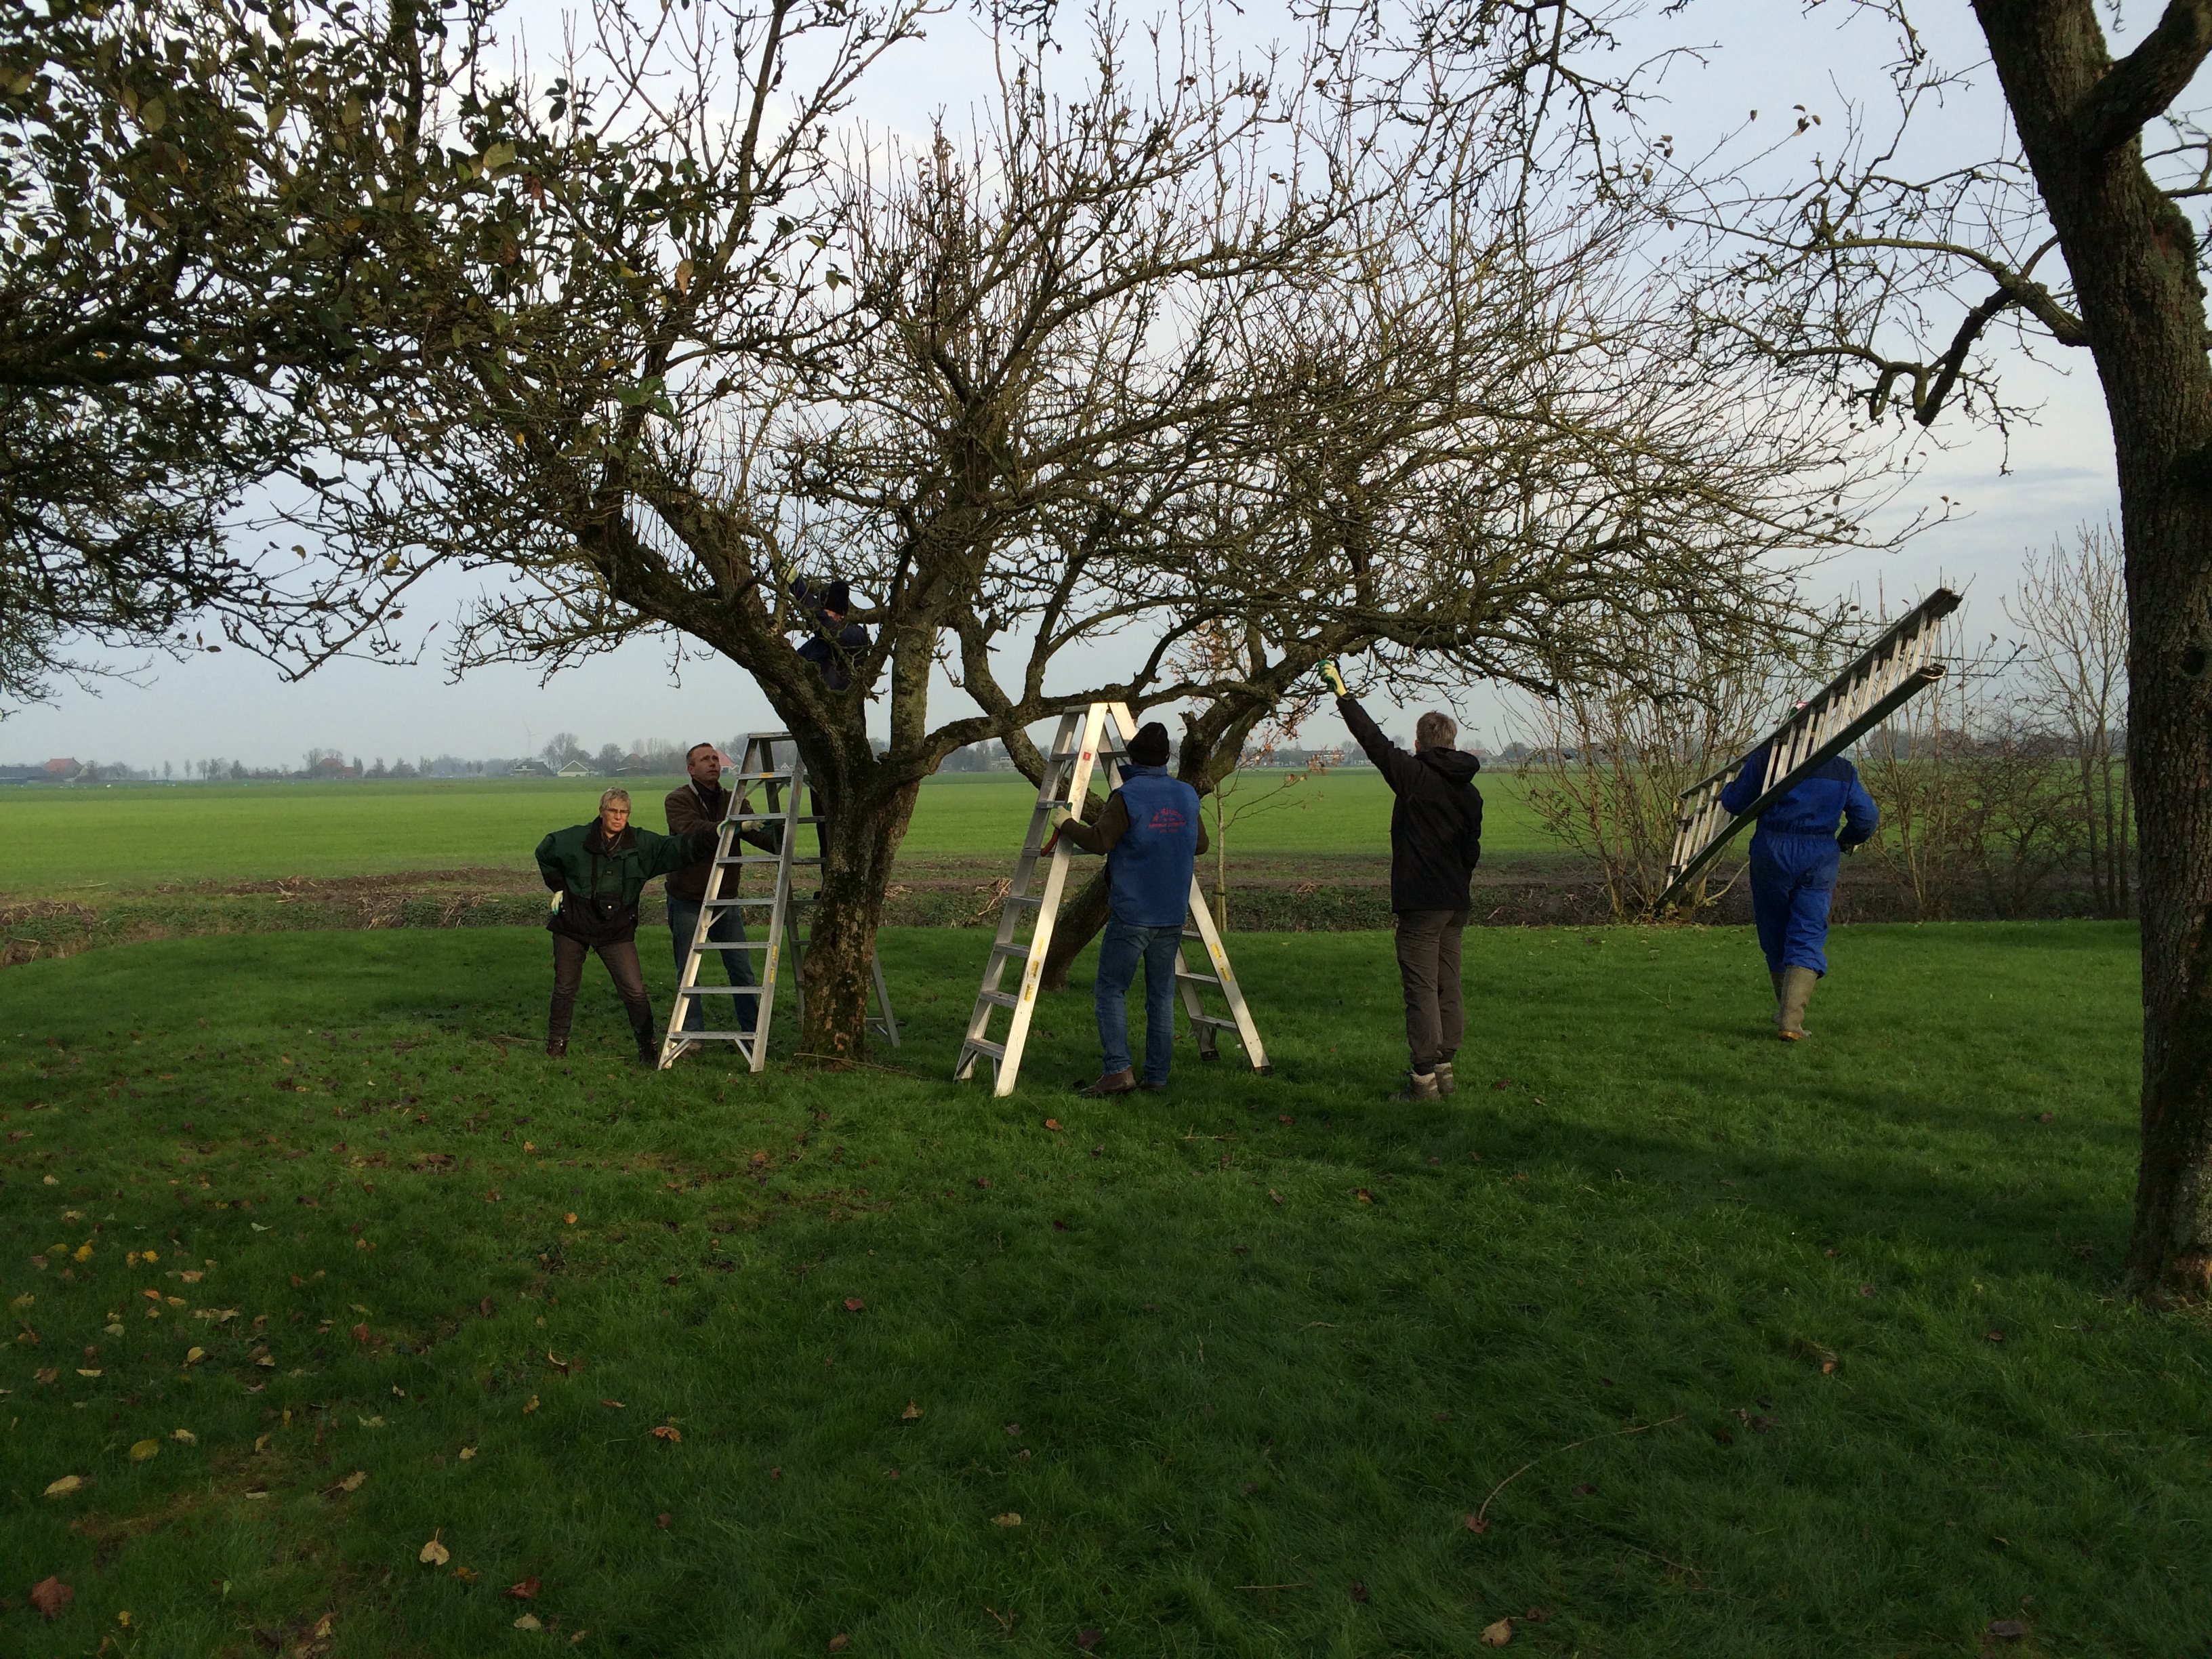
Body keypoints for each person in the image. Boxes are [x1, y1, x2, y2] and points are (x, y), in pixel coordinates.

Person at [1322, 659, 1484, 1101]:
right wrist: (1459, 882)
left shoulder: (1414, 777)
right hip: (1456, 902)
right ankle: (1445, 1070)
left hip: (1422, 903)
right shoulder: (1470, 791)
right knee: (1449, 983)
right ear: (1452, 742)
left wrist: (1343, 694)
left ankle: (1423, 1079)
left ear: (1418, 743)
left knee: (1421, 989)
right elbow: (1471, 850)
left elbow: (1373, 741)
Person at [1046, 720, 1209, 1098]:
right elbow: (1200, 845)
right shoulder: (1186, 795)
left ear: (1133, 758)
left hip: (1133, 912)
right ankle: (1157, 1076)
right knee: (1161, 996)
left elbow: (1099, 841)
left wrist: (1066, 823)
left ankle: (1118, 1071)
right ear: (1166, 758)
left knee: (1111, 989)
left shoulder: (1127, 796)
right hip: (1171, 913)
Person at [535, 788, 718, 1065]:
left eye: (623, 812)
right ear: (602, 812)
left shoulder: (642, 844)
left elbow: (680, 848)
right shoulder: (574, 839)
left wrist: (717, 833)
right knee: (564, 988)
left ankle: (648, 1048)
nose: (618, 817)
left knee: (634, 992)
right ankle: (556, 1045)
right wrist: (558, 887)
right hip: (573, 924)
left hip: (617, 930)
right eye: (613, 811)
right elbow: (545, 851)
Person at [1718, 729, 1879, 1040]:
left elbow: (1737, 802)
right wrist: (1846, 840)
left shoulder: (1767, 759)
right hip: (1819, 855)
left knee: (1774, 927)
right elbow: (1867, 817)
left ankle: (1785, 1013)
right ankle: (1791, 1021)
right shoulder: (1841, 768)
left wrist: (1726, 791)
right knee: (1807, 929)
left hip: (1771, 850)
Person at [664, 743, 775, 1042]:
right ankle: (692, 1035)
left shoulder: (734, 799)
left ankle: (752, 1031)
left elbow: (758, 835)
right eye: (705, 759)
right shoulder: (677, 800)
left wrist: (779, 830)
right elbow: (694, 830)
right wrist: (735, 826)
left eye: (715, 758)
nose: (713, 763)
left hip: (725, 899)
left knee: (741, 968)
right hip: (688, 898)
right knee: (689, 970)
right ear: (691, 769)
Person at [790, 576, 870, 691]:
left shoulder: (856, 635)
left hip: (839, 700)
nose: (823, 615)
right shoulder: (814, 645)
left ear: (840, 616)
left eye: (827, 613)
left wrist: (796, 584)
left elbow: (827, 624)